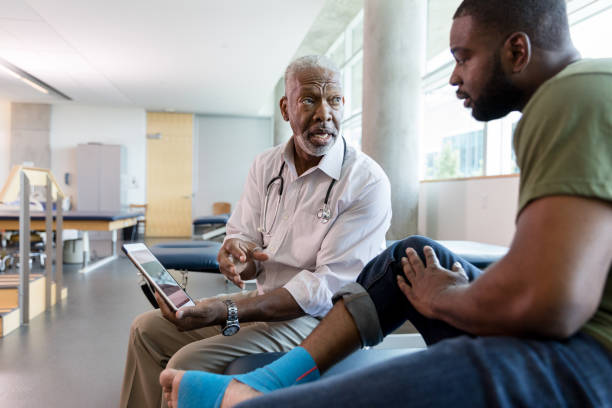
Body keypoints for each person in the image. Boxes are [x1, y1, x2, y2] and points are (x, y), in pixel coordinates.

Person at [158, 0, 612, 407]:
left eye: (462, 58)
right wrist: (240, 254)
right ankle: (272, 381)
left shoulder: (570, 97)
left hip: (594, 354)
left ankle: (257, 403)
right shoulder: (577, 94)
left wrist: (450, 297)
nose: (453, 75)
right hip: (575, 328)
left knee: (442, 351)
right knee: (408, 255)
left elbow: (553, 302)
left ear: (517, 51)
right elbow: (546, 278)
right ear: (286, 108)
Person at [119, 55, 392, 408]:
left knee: (187, 362)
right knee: (146, 330)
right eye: (310, 99)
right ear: (286, 108)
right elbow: (244, 241)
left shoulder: (366, 182)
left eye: (334, 100)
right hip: (264, 310)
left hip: (322, 323)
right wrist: (237, 256)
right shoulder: (267, 165)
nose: (325, 112)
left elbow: (327, 291)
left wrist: (229, 308)